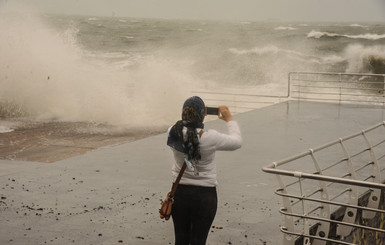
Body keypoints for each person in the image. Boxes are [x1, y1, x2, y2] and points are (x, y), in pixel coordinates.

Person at [167, 96, 242, 245]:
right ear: (202, 114)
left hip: (180, 193)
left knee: (180, 240)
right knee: (198, 241)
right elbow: (237, 142)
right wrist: (229, 119)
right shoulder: (211, 137)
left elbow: (189, 133)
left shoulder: (173, 131)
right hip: (205, 196)